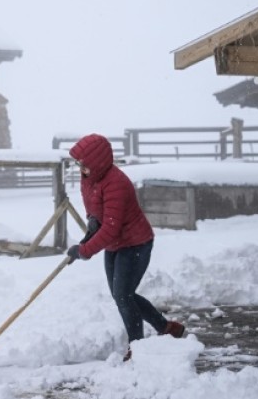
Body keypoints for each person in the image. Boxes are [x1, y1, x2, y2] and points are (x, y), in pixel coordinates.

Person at [66, 133, 184, 361]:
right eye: (78, 164)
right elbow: (94, 209)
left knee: (123, 294)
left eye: (84, 164)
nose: (80, 168)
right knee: (121, 295)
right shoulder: (88, 178)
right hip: (114, 244)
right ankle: (166, 327)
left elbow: (111, 228)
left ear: (97, 162)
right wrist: (91, 222)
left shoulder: (116, 183)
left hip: (135, 242)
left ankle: (137, 347)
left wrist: (84, 251)